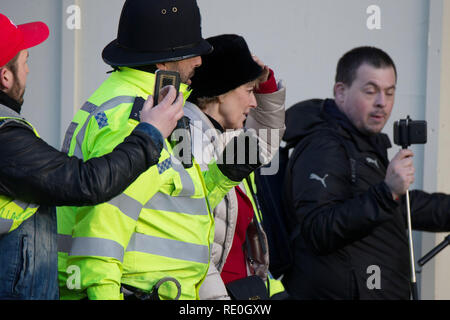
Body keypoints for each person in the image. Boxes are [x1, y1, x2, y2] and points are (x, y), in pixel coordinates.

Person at [58, 0, 263, 300]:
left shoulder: (160, 107)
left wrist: (221, 176)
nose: (200, 62)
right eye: (191, 52)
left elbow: (174, 201)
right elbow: (103, 225)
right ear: (163, 63)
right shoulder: (133, 117)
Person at [0, 13, 184, 300]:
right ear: (5, 76)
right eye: (26, 61)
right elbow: (85, 183)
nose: (28, 71)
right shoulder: (5, 138)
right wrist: (150, 132)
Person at [281, 46, 450, 300]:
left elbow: (397, 207)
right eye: (370, 91)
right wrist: (387, 192)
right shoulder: (324, 145)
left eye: (389, 92)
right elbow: (319, 229)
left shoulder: (362, 144)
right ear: (341, 92)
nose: (382, 102)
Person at [184, 34, 287, 299]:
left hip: (240, 290)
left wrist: (266, 86)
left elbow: (264, 142)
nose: (254, 103)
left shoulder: (224, 137)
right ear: (221, 91)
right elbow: (190, 244)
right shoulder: (186, 143)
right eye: (249, 91)